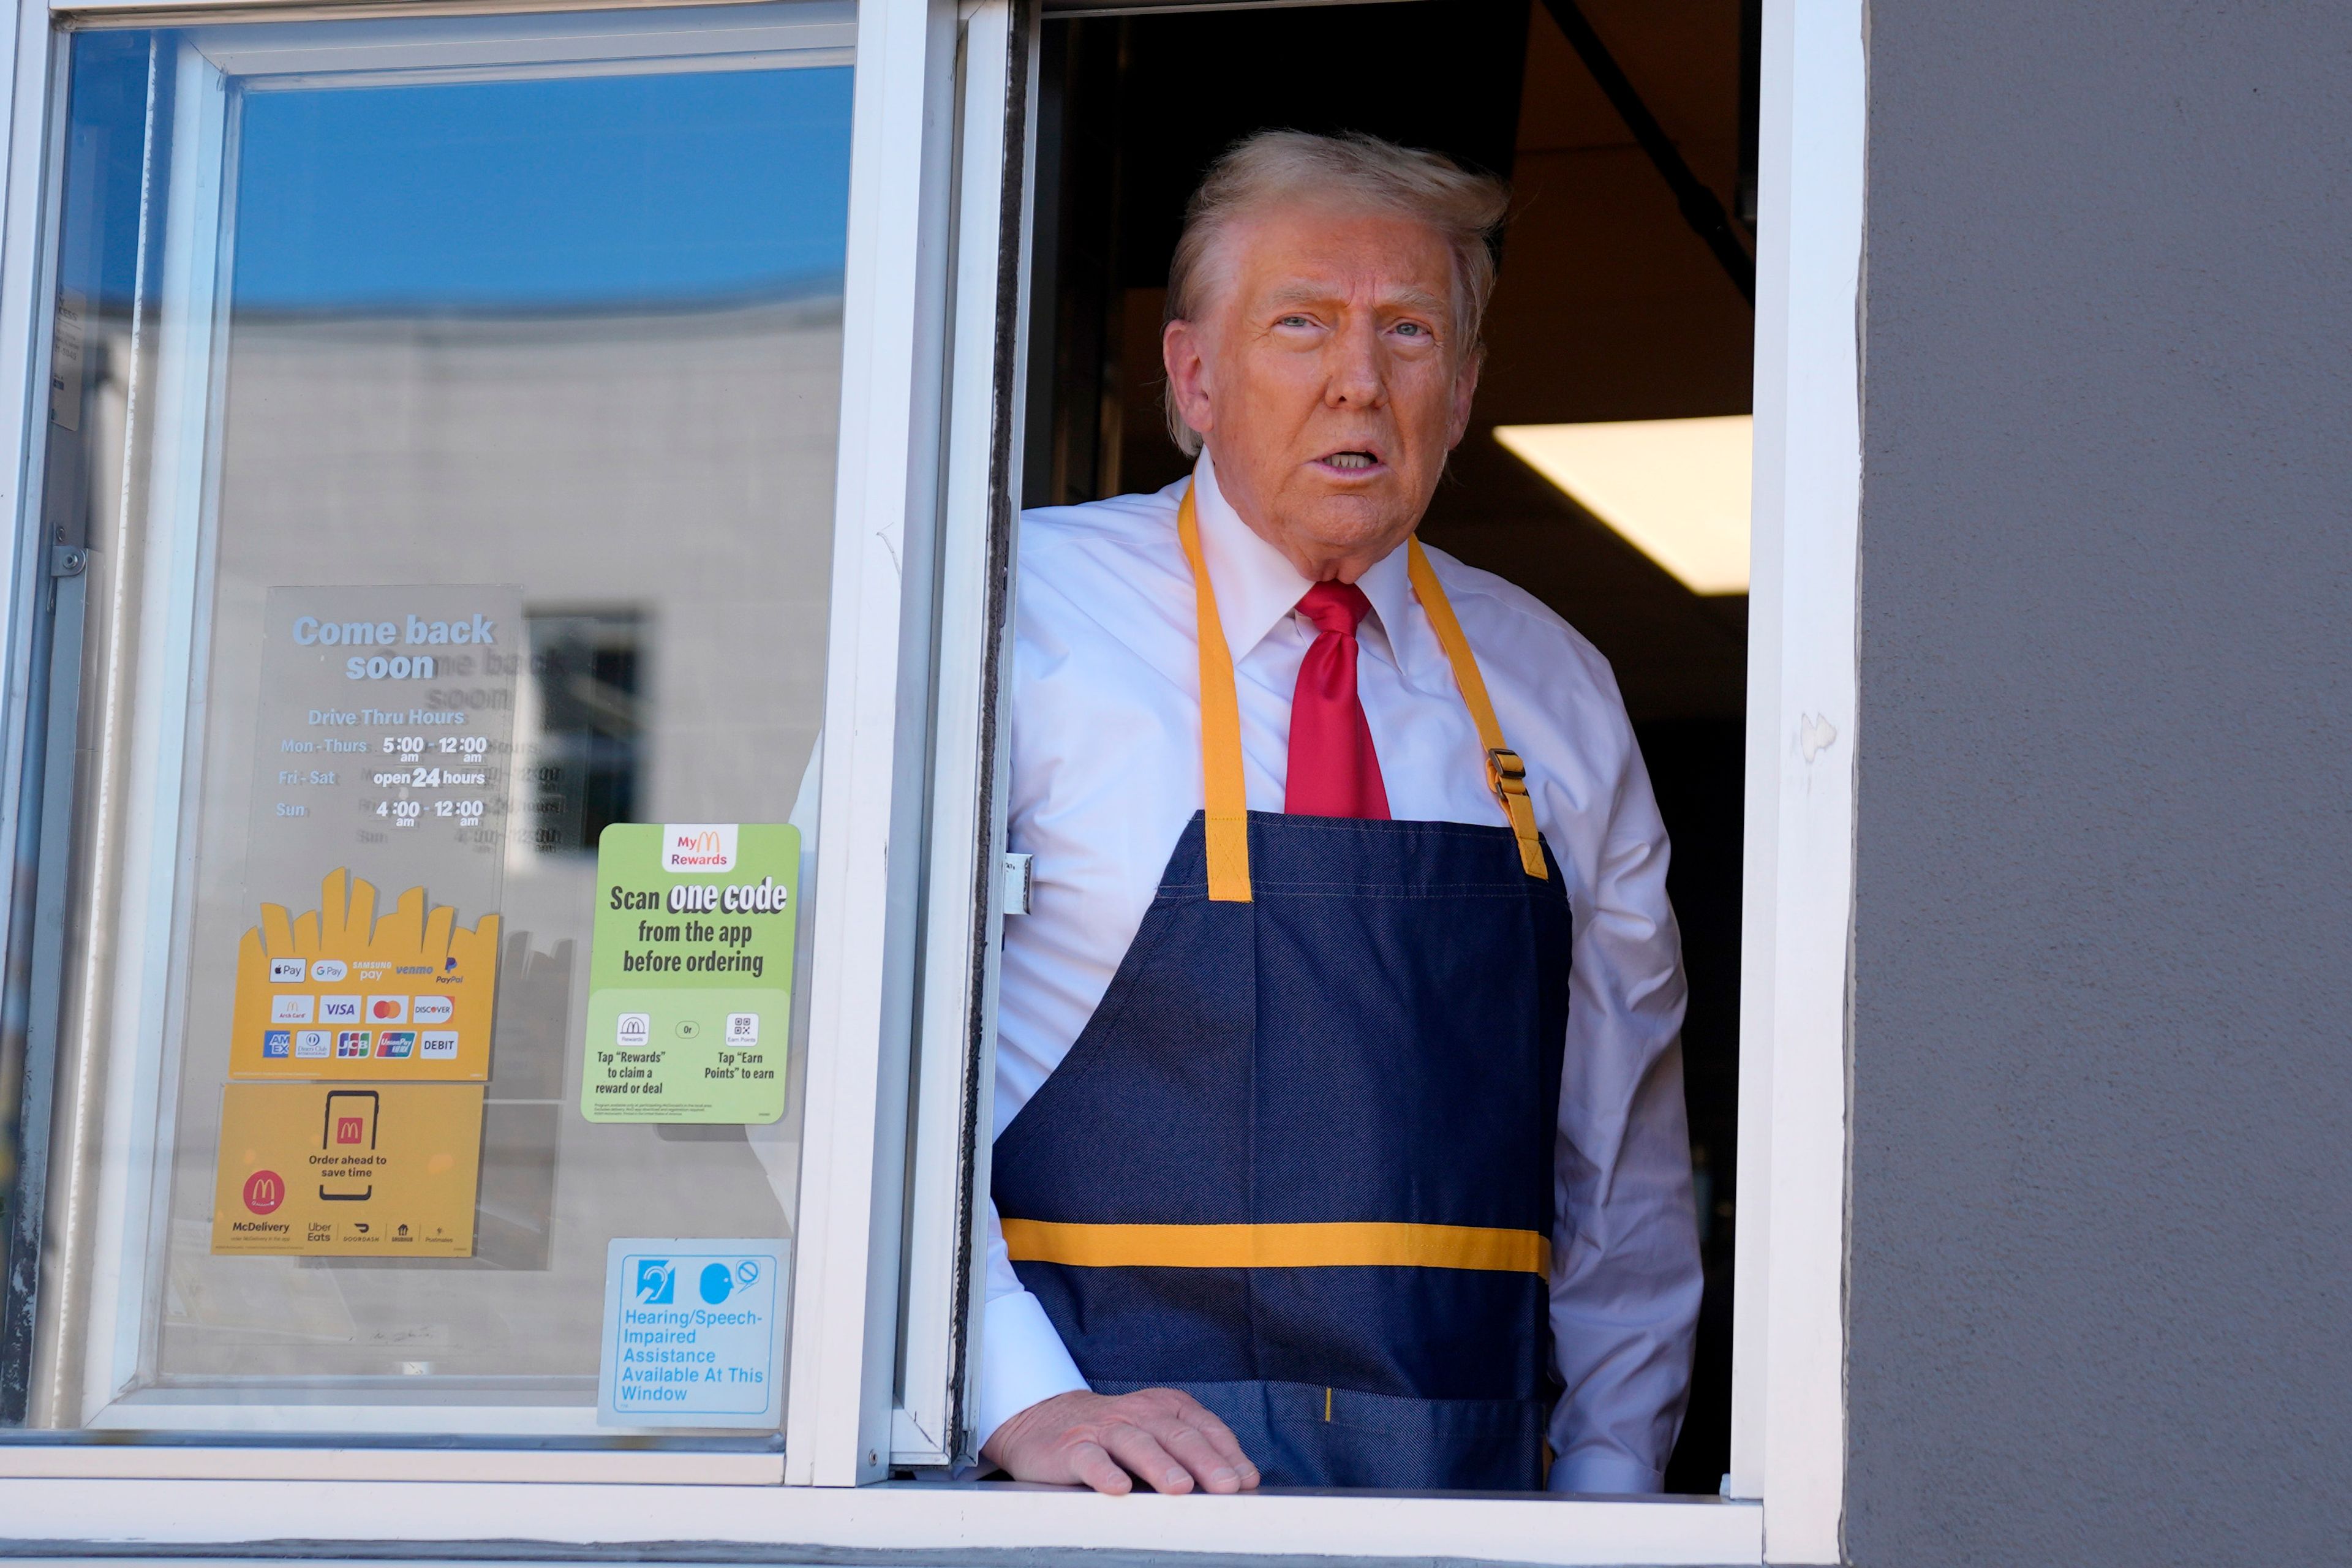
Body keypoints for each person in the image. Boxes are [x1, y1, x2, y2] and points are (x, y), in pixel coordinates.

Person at [978, 130, 1700, 1496]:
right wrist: (1021, 1397)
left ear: (1467, 388)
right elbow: (837, 1066)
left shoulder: (1555, 686)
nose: (1357, 379)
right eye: (1301, 322)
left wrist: (1610, 1494)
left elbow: (1624, 1169)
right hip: (1091, 1511)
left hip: (1466, 1506)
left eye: (1409, 331)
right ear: (1195, 376)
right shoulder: (1010, 615)